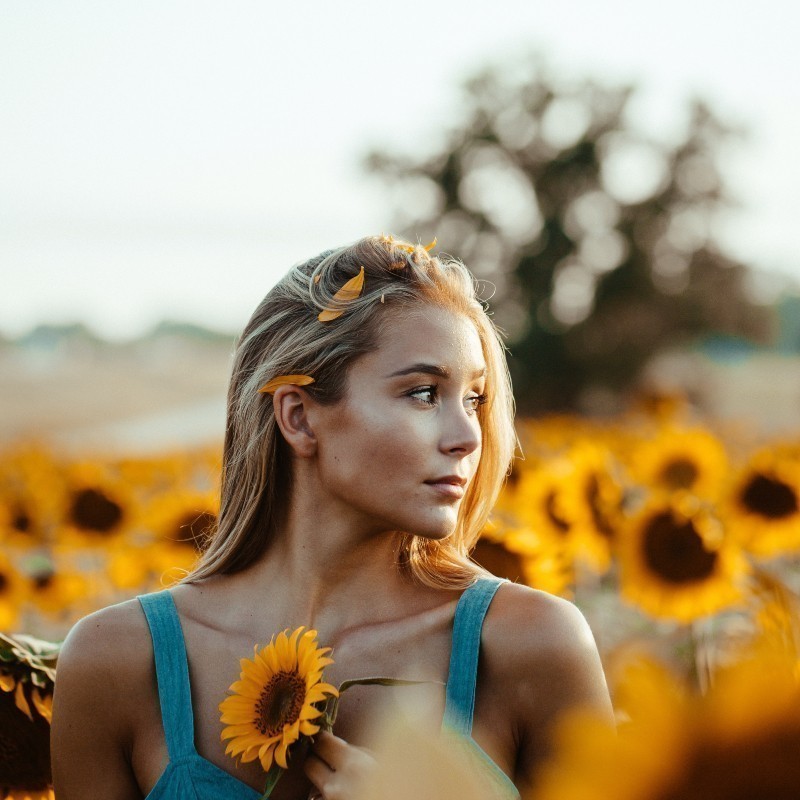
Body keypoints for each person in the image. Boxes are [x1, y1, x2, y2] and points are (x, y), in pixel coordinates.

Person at [51, 234, 614, 799]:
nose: (468, 436)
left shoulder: (531, 646)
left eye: (474, 399)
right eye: (422, 393)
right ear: (298, 417)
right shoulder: (118, 661)